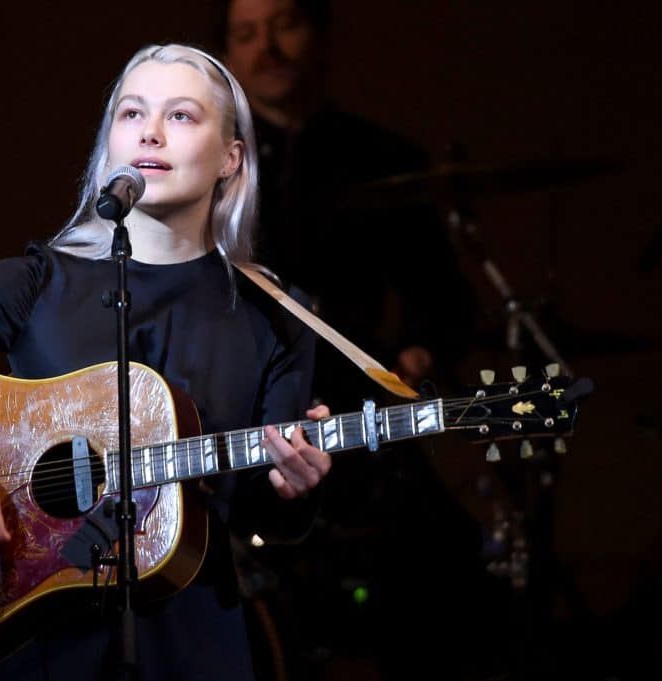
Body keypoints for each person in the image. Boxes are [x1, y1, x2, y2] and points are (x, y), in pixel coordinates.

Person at [0, 43, 333, 681]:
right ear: (109, 144)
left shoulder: (279, 316)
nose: (149, 130)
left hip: (191, 635)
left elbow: (260, 513)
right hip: (31, 629)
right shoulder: (37, 282)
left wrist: (294, 488)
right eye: (131, 113)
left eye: (180, 116)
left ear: (231, 158)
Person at [212, 2, 498, 680]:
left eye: (285, 25)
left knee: (448, 555)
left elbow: (444, 300)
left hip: (354, 417)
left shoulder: (380, 158)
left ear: (322, 36)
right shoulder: (205, 169)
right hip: (230, 424)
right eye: (245, 35)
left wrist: (419, 352)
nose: (267, 49)